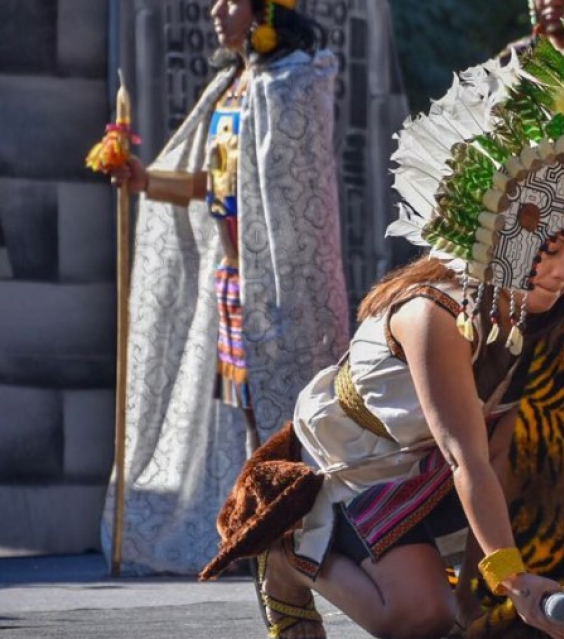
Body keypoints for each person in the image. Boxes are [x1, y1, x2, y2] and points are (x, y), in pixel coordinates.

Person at [200, 5, 564, 639]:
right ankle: (288, 555)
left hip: (448, 474)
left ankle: (485, 599)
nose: (561, 272)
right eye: (546, 248)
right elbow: (466, 457)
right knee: (420, 618)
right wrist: (515, 580)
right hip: (365, 467)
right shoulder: (435, 312)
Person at [102, 0, 349, 575]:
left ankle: (301, 532)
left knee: (286, 413)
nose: (215, 10)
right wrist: (145, 180)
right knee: (242, 409)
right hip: (234, 276)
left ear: (267, 10)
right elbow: (216, 186)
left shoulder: (298, 78)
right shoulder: (233, 86)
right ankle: (257, 529)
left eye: (232, 0)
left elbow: (285, 185)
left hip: (283, 283)